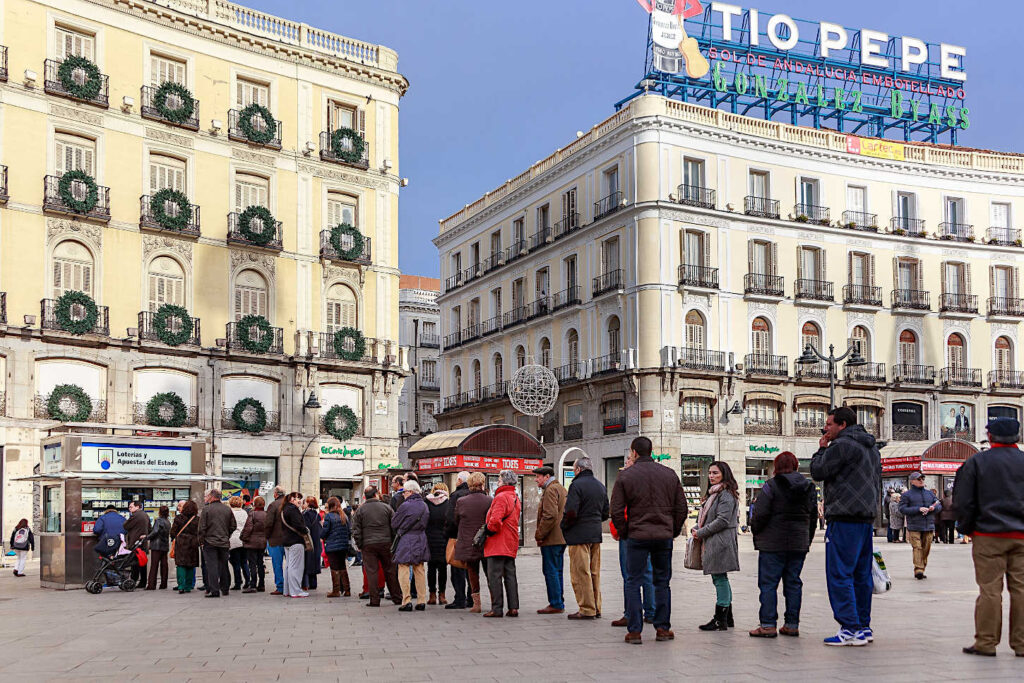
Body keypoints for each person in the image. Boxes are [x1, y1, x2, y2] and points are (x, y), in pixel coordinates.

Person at [810, 406, 881, 647]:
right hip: (865, 517)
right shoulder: (871, 448)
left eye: (829, 424)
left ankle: (849, 628)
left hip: (844, 515)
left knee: (839, 573)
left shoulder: (841, 445)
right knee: (862, 575)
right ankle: (863, 626)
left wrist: (821, 449)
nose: (825, 428)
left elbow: (818, 471)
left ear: (842, 425)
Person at [954, 417, 1024, 657]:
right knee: (1022, 590)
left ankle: (986, 642)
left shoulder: (976, 463)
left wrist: (968, 528)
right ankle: (1022, 644)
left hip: (988, 534)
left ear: (990, 436)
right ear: (1017, 437)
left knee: (990, 590)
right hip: (1022, 536)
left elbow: (963, 501)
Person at [611, 436, 688, 644]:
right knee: (662, 582)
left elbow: (616, 510)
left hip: (637, 535)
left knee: (633, 581)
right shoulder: (669, 474)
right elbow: (682, 508)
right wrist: (672, 529)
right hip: (663, 536)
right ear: (651, 451)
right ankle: (663, 628)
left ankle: (635, 630)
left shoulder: (626, 476)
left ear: (634, 452)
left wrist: (625, 531)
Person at [748, 451, 818, 638]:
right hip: (798, 542)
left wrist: (757, 532)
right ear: (796, 466)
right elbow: (813, 517)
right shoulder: (809, 487)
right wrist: (806, 540)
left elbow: (760, 514)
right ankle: (792, 624)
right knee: (793, 583)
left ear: (776, 467)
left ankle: (768, 624)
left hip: (772, 543)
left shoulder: (771, 485)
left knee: (769, 584)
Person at [610, 451, 656, 629]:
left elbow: (617, 508)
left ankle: (630, 614)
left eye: (628, 458)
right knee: (648, 572)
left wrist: (619, 531)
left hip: (630, 533)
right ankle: (650, 612)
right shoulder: (654, 476)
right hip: (650, 531)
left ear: (636, 457)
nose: (626, 462)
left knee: (630, 575)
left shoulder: (626, 478)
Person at [693, 461, 740, 632]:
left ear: (724, 474)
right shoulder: (715, 493)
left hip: (721, 542)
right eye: (710, 473)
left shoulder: (725, 494)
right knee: (720, 578)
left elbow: (723, 520)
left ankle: (720, 619)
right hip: (716, 541)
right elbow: (710, 518)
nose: (711, 476)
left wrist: (701, 532)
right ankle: (727, 617)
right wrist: (697, 527)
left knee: (719, 578)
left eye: (715, 473)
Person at [562, 457, 609, 620]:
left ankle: (586, 608)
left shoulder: (576, 485)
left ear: (579, 470)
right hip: (595, 535)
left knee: (580, 572)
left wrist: (564, 526)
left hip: (578, 535)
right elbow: (605, 513)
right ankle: (596, 607)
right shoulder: (600, 486)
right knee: (594, 572)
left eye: (574, 469)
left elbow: (571, 512)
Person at [352, 486, 402, 607]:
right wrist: (393, 542)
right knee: (390, 571)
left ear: (365, 496)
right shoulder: (387, 508)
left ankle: (374, 599)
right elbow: (394, 526)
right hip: (386, 543)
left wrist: (360, 544)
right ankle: (397, 597)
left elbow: (356, 529)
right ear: (376, 494)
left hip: (368, 544)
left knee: (371, 571)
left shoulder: (360, 510)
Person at [483, 470, 522, 618]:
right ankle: (513, 607)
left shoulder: (500, 497)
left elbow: (495, 521)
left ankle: (497, 608)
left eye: (499, 479)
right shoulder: (515, 497)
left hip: (497, 541)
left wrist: (489, 530)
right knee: (510, 575)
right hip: (510, 540)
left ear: (504, 481)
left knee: (495, 576)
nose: (498, 482)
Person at [453, 472, 493, 614]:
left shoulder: (462, 501)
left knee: (472, 572)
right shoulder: (490, 500)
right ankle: (495, 602)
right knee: (490, 573)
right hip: (486, 541)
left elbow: (456, 520)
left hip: (469, 542)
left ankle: (476, 604)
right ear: (482, 484)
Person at [532, 465, 568, 615]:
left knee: (550, 570)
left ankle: (555, 603)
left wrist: (539, 534)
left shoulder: (551, 490)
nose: (536, 480)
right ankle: (558, 600)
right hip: (561, 537)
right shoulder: (561, 488)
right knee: (557, 570)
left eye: (538, 477)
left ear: (547, 477)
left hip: (552, 537)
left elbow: (550, 515)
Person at [392, 480, 431, 611]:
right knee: (419, 568)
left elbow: (394, 523)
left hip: (407, 538)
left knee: (403, 567)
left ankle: (406, 600)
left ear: (410, 492)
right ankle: (421, 600)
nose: (403, 494)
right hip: (421, 538)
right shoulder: (425, 506)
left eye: (405, 492)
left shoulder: (405, 506)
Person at [899, 472, 941, 579]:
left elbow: (939, 506)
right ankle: (919, 569)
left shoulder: (930, 494)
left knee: (926, 547)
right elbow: (902, 509)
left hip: (928, 525)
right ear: (912, 481)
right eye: (918, 479)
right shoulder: (906, 495)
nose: (921, 480)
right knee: (917, 547)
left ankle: (922, 567)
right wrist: (918, 509)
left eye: (922, 478)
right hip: (914, 526)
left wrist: (933, 508)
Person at [199, 489, 236, 598]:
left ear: (212, 496)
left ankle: (214, 590)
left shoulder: (206, 510)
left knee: (212, 566)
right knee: (223, 565)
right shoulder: (227, 509)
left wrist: (201, 541)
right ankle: (225, 588)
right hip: (224, 542)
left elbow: (201, 528)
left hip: (210, 542)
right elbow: (233, 526)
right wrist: (226, 535)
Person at [445, 471, 473, 610]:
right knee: (471, 569)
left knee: (457, 569)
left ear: (460, 481)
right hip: (473, 538)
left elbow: (451, 518)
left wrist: (449, 534)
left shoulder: (456, 495)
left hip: (458, 536)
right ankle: (472, 597)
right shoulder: (477, 494)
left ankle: (460, 598)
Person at [425, 482, 451, 605]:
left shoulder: (427, 502)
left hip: (430, 538)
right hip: (443, 539)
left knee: (431, 568)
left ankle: (432, 595)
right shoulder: (448, 503)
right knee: (442, 568)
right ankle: (442, 595)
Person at [280, 492, 310, 598]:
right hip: (296, 541)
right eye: (299, 499)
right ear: (292, 499)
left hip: (287, 541)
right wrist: (305, 529)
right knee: (296, 567)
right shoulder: (293, 510)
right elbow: (298, 525)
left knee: (289, 566)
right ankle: (296, 591)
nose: (300, 501)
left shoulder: (284, 509)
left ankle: (287, 590)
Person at [321, 496, 352, 597]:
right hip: (343, 545)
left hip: (332, 545)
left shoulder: (329, 516)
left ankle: (336, 590)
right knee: (342, 567)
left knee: (334, 568)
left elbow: (325, 531)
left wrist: (322, 536)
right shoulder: (344, 515)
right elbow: (348, 531)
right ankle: (347, 590)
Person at [169, 500, 200, 593]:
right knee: (191, 565)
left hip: (181, 543)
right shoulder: (197, 519)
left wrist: (174, 537)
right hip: (193, 543)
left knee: (181, 565)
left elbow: (173, 532)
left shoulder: (178, 518)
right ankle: (188, 586)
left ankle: (181, 585)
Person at [240, 496, 267, 593]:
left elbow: (248, 528)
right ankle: (262, 584)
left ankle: (253, 584)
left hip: (252, 542)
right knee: (260, 563)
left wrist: (243, 538)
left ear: (255, 504)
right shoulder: (266, 514)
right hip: (262, 542)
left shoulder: (252, 514)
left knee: (252, 563)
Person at [263, 486, 287, 595]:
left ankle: (280, 586)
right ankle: (290, 585)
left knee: (277, 564)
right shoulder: (289, 504)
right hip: (288, 539)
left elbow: (268, 523)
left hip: (275, 539)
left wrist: (267, 536)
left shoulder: (273, 505)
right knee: (290, 563)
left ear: (275, 494)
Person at [124, 499, 152, 585]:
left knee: (135, 563)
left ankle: (133, 581)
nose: (129, 509)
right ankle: (143, 581)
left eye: (131, 507)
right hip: (143, 543)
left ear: (137, 507)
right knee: (142, 562)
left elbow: (126, 525)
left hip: (135, 543)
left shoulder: (135, 515)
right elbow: (150, 528)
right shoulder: (145, 515)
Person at [145, 506, 171, 590]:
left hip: (156, 545)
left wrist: (146, 537)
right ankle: (164, 584)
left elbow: (155, 531)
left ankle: (151, 585)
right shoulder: (168, 522)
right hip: (164, 545)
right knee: (164, 565)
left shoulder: (159, 520)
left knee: (154, 565)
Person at [227, 497, 250, 591]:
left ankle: (238, 582)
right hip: (243, 540)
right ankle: (248, 580)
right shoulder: (244, 513)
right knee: (244, 562)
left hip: (233, 540)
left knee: (235, 562)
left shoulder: (230, 513)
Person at [301, 497, 323, 591]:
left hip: (309, 541)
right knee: (314, 561)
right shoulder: (317, 514)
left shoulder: (305, 514)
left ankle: (307, 583)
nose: (302, 504)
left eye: (304, 502)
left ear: (308, 503)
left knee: (307, 561)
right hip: (316, 540)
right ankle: (313, 583)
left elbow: (305, 529)